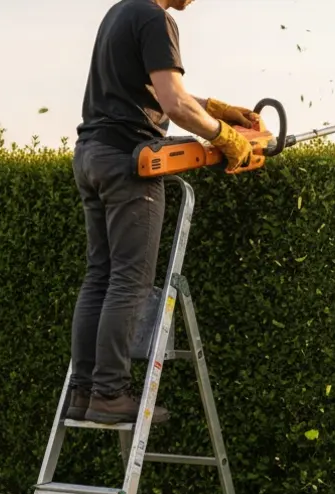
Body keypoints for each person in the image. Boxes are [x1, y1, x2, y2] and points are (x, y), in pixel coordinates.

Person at [67, 0, 259, 425]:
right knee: (129, 281)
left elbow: (152, 90)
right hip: (128, 160)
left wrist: (217, 108)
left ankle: (83, 393)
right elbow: (173, 104)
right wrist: (225, 136)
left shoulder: (121, 12)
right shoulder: (157, 19)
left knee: (100, 275)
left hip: (92, 154)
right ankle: (109, 394)